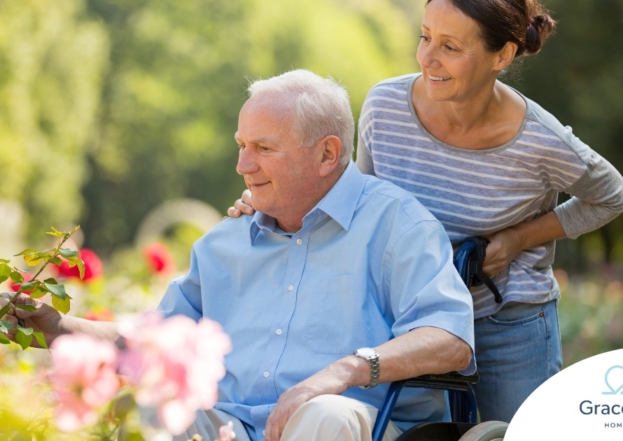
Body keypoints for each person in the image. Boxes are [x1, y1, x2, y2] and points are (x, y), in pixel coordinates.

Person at [5, 69, 476, 441]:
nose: (242, 165)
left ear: (327, 154)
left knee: (323, 415)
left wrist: (342, 371)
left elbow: (449, 338)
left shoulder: (396, 224)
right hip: (231, 427)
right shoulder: (223, 242)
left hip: (359, 425)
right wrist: (60, 326)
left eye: (263, 148)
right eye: (241, 146)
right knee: (145, 410)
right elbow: (157, 339)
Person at [229, 0, 623, 424]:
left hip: (504, 317)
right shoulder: (386, 106)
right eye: (425, 36)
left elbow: (611, 196)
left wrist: (518, 239)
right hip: (406, 319)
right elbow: (359, 202)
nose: (427, 58)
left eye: (450, 47)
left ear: (503, 55)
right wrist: (272, 198)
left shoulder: (540, 141)